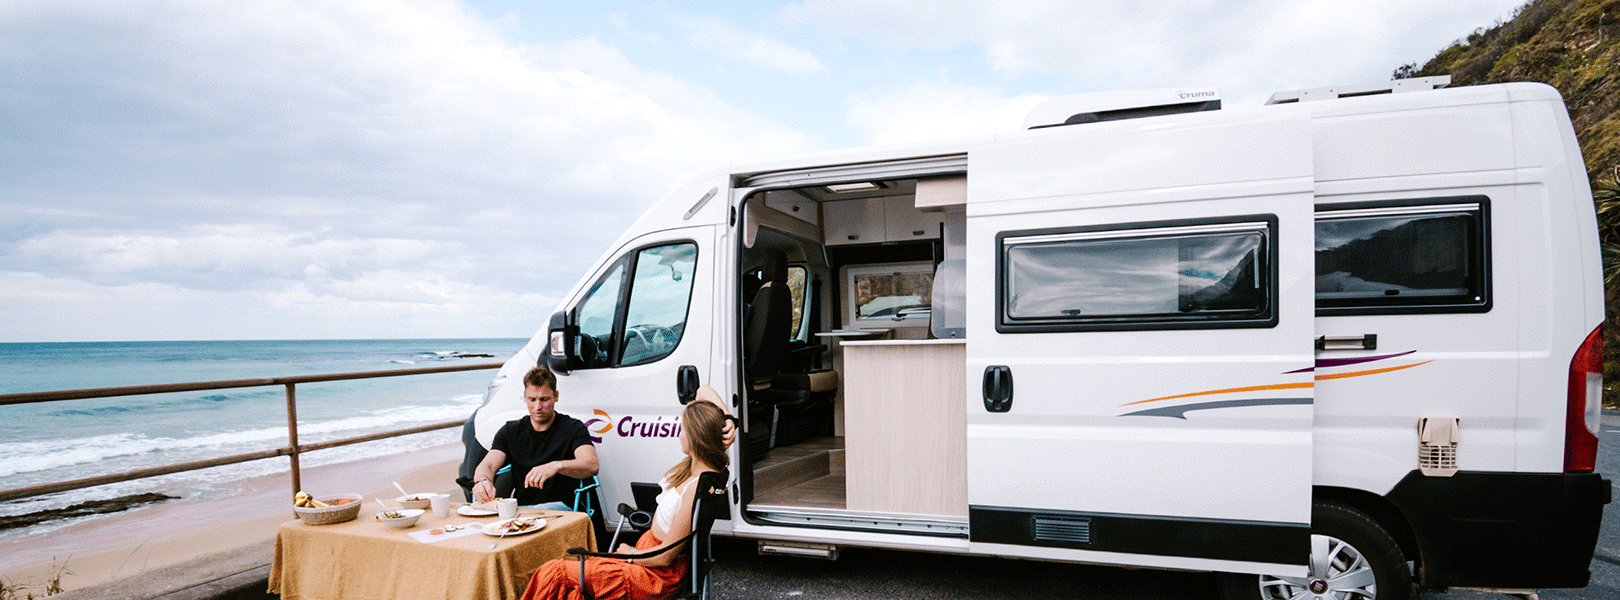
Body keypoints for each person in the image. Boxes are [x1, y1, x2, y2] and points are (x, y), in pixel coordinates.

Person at [520, 387, 730, 600]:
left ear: (696, 436)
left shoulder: (696, 486)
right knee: (571, 584)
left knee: (555, 572)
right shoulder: (708, 472)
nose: (679, 435)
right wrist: (729, 420)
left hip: (653, 574)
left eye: (683, 429)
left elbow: (666, 557)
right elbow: (703, 391)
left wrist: (630, 553)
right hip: (647, 561)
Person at [471, 366, 599, 509]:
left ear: (556, 396)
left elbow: (591, 464)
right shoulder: (510, 431)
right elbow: (488, 465)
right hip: (524, 510)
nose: (538, 406)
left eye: (544, 399)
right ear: (525, 396)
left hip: (562, 509)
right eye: (532, 399)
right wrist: (482, 481)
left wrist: (556, 466)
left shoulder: (573, 428)